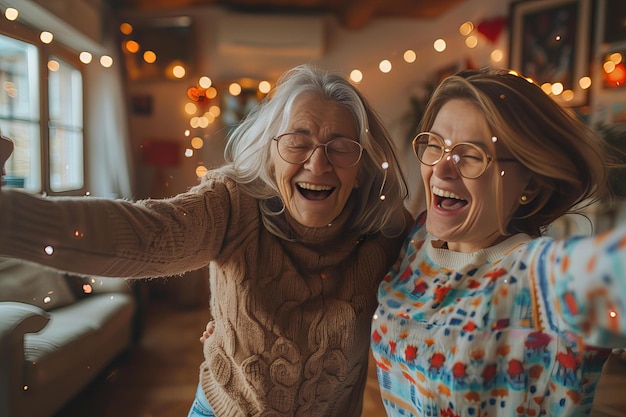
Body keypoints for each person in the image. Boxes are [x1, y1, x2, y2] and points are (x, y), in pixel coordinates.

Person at [0, 64, 413, 417]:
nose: (317, 162)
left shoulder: (385, 232)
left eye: (340, 147)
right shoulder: (232, 203)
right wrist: (9, 217)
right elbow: (147, 235)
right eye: (297, 142)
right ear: (270, 155)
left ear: (361, 166)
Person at [370, 68, 626, 417]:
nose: (442, 169)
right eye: (436, 145)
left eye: (472, 155)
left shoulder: (543, 279)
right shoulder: (415, 242)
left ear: (530, 184)